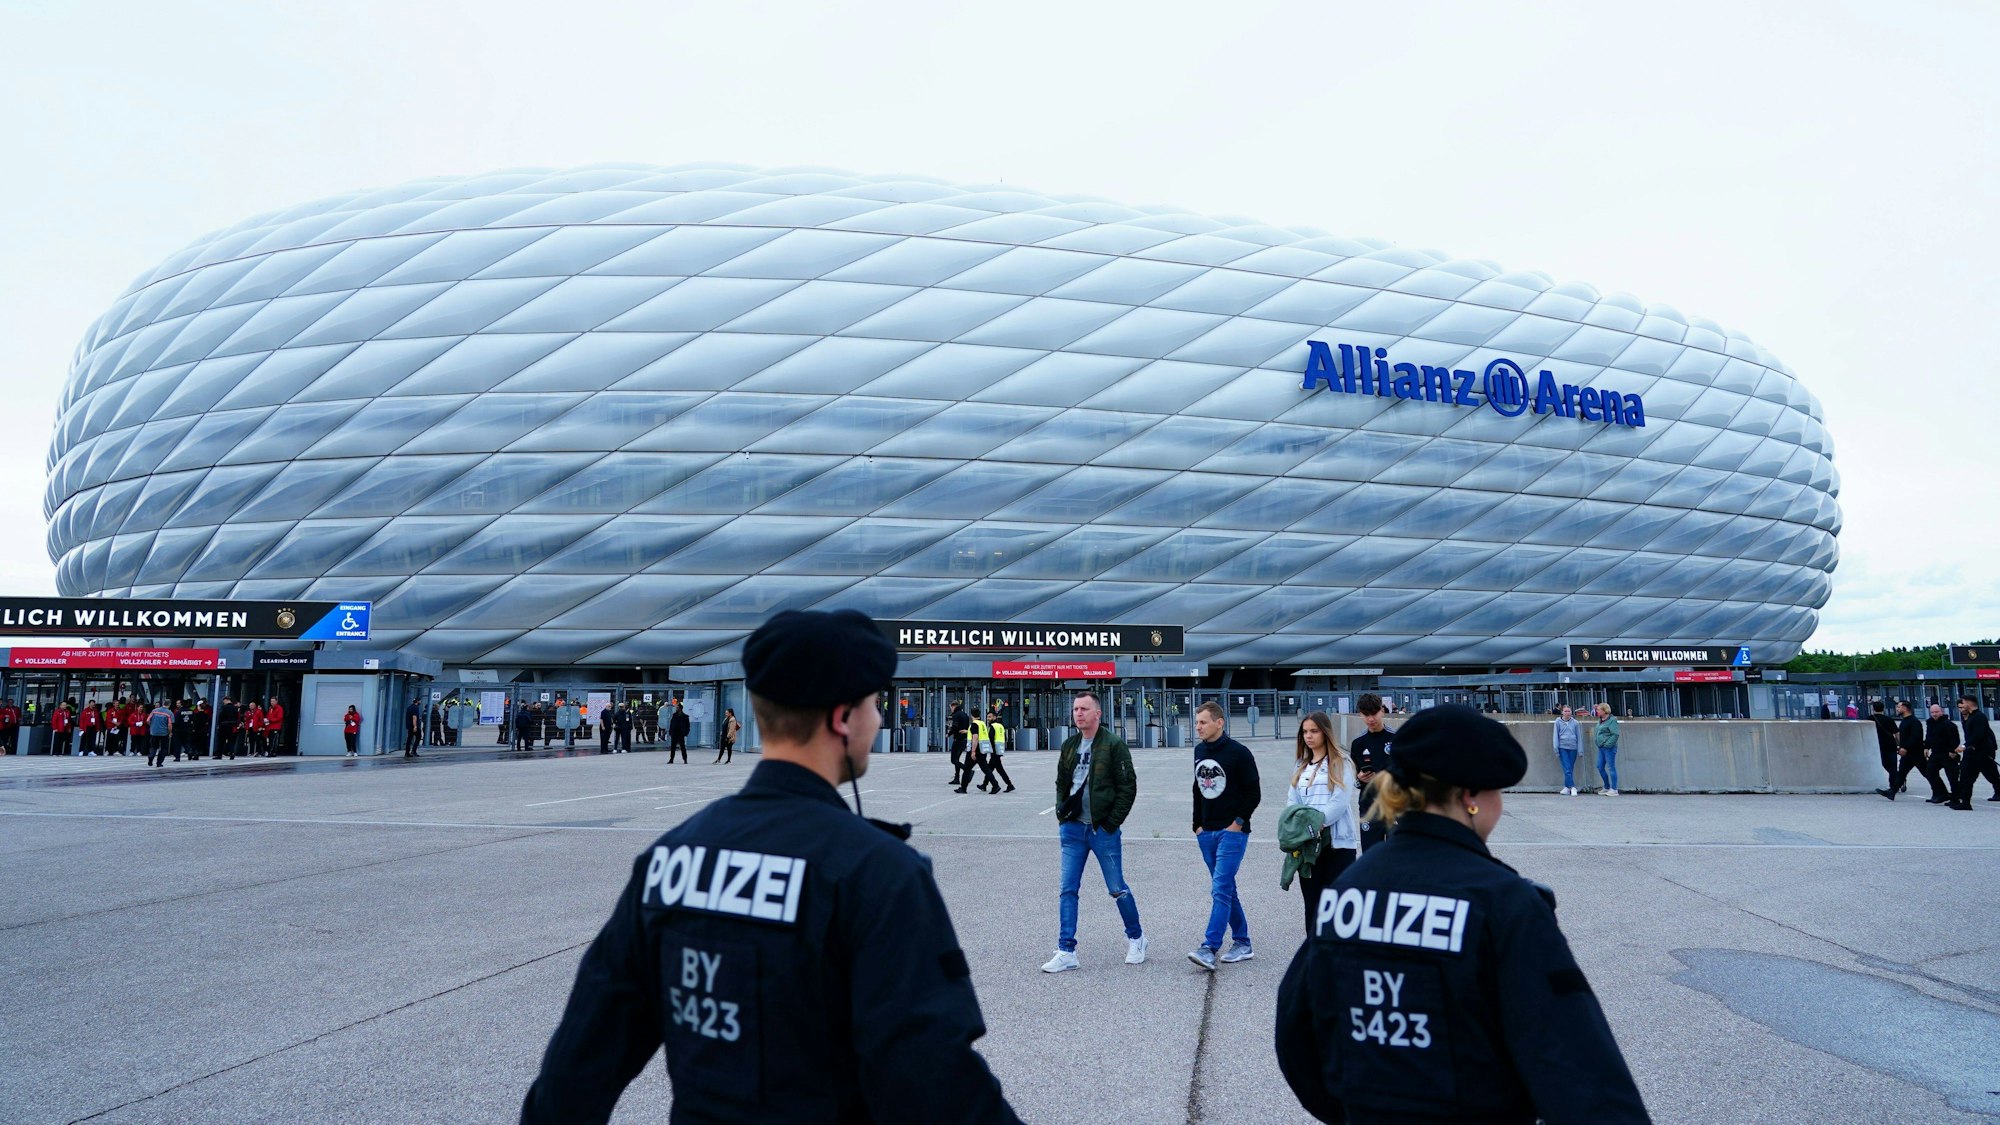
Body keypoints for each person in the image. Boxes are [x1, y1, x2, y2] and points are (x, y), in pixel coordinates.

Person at [521, 608, 1021, 1124]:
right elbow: (935, 1081)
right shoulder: (877, 874)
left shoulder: (670, 860)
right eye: (874, 704)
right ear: (842, 716)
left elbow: (577, 1067)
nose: (877, 719)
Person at [1276, 704, 1651, 1123]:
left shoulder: (1345, 893)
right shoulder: (1504, 903)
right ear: (1471, 798)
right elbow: (1584, 1075)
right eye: (1496, 791)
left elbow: (1295, 1035)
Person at [1042, 692, 1146, 972]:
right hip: (1073, 829)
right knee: (1068, 890)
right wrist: (1061, 815)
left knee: (1117, 889)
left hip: (1102, 830)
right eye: (1075, 709)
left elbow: (1128, 788)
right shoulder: (1069, 745)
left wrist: (1111, 823)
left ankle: (1137, 938)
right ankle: (1066, 950)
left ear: (1097, 713)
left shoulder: (1114, 745)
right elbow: (1061, 783)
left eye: (1084, 709)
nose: (1078, 713)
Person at [1189, 700, 1261, 970]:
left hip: (1232, 832)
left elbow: (1254, 793)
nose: (1198, 727)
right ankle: (1243, 942)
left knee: (1220, 888)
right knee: (1227, 890)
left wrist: (1238, 823)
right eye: (1197, 722)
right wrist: (1197, 825)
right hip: (1206, 832)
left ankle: (1209, 947)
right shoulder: (1198, 750)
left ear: (1219, 722)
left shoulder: (1239, 753)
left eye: (1203, 722)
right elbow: (1197, 789)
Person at [1285, 710, 1357, 935]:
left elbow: (1340, 801)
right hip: (1308, 845)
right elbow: (1292, 801)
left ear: (1325, 733)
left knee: (1336, 903)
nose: (1309, 736)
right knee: (1312, 904)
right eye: (1305, 731)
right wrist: (1301, 827)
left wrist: (1318, 822)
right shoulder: (1301, 764)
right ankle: (1314, 953)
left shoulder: (1341, 762)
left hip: (1337, 845)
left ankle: (1337, 955)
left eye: (1314, 731)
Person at [1350, 695, 1395, 852]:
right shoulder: (1358, 743)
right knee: (1370, 855)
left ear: (1382, 711)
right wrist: (1360, 779)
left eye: (1374, 713)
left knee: (1396, 856)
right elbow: (1354, 779)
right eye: (1366, 714)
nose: (1370, 719)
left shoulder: (1396, 739)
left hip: (1394, 804)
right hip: (1369, 806)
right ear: (1360, 714)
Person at [1883, 700, 1947, 803]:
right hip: (1908, 754)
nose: (1897, 709)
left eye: (1899, 707)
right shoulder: (1905, 721)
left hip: (1916, 753)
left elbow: (1915, 737)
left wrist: (1906, 748)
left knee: (1928, 773)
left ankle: (1941, 792)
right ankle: (1892, 791)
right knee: (1902, 773)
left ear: (1904, 708)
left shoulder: (1913, 722)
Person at [1952, 694, 1997, 810]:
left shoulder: (1979, 717)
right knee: (1966, 777)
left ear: (1968, 703)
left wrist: (1964, 745)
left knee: (1992, 775)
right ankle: (1965, 802)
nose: (1961, 706)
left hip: (1982, 753)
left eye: (1963, 703)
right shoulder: (1970, 717)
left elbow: (1979, 735)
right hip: (1971, 754)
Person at [1926, 703, 1961, 804]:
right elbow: (1929, 736)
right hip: (1936, 753)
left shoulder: (1948, 724)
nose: (1934, 714)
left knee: (1952, 776)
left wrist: (1952, 751)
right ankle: (1940, 793)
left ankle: (1955, 797)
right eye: (1932, 712)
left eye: (1936, 712)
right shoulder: (1930, 723)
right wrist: (1926, 747)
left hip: (1947, 753)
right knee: (1930, 772)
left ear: (1941, 712)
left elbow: (1955, 739)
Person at [1868, 700, 1900, 793]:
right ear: (1883, 709)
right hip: (1890, 745)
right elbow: (1897, 733)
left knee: (1884, 764)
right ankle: (1894, 784)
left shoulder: (1869, 719)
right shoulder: (1889, 719)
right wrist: (1899, 744)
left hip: (1877, 746)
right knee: (1893, 766)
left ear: (1873, 709)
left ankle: (1897, 781)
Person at [957, 709, 990, 795]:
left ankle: (963, 788)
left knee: (967, 769)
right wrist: (967, 731)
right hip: (982, 749)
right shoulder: (982, 723)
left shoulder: (974, 724)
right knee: (985, 769)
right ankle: (995, 784)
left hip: (975, 750)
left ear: (971, 716)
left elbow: (975, 737)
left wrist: (973, 751)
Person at [1553, 705, 1583, 795]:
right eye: (1565, 711)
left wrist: (1580, 750)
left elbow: (1579, 737)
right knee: (1567, 768)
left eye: (1569, 711)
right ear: (1562, 712)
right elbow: (1555, 736)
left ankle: (1566, 787)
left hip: (1573, 747)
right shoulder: (1558, 722)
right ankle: (1573, 787)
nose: (1567, 713)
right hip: (1563, 747)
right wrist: (1556, 749)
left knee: (1570, 768)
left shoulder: (1575, 723)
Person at [1593, 703, 1621, 796]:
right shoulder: (1600, 720)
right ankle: (1607, 786)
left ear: (1605, 711)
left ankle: (1614, 789)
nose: (1597, 711)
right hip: (1601, 747)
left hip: (1609, 748)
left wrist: (1608, 744)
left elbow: (1615, 734)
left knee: (1611, 767)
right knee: (1600, 767)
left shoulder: (1612, 720)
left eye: (1599, 710)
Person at [947, 700, 972, 789]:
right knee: (956, 759)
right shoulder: (965, 714)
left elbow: (955, 726)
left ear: (953, 706)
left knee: (954, 760)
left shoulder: (956, 715)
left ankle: (967, 770)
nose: (951, 709)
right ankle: (957, 778)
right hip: (964, 739)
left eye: (951, 707)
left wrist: (949, 734)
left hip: (958, 740)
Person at [145, 700, 174, 768]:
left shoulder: (154, 711)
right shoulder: (169, 713)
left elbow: (148, 720)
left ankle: (151, 757)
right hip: (164, 733)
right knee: (163, 748)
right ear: (169, 704)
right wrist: (170, 732)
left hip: (154, 732)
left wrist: (152, 726)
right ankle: (159, 763)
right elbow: (170, 725)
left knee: (153, 746)